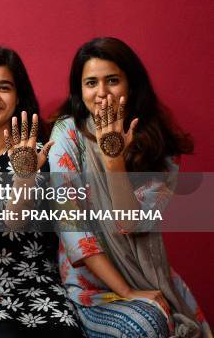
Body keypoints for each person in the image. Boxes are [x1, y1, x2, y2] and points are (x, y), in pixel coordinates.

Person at [49, 37, 211, 337]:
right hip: (90, 287)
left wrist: (114, 165)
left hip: (148, 277)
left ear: (131, 85)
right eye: (91, 83)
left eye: (112, 80)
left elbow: (131, 223)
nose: (101, 93)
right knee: (146, 325)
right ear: (79, 90)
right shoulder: (67, 134)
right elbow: (73, 229)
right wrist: (124, 291)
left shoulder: (158, 146)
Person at [0, 45, 83, 337]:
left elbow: (17, 220)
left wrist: (24, 176)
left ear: (18, 95)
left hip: (40, 282)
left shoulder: (40, 154)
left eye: (4, 87)